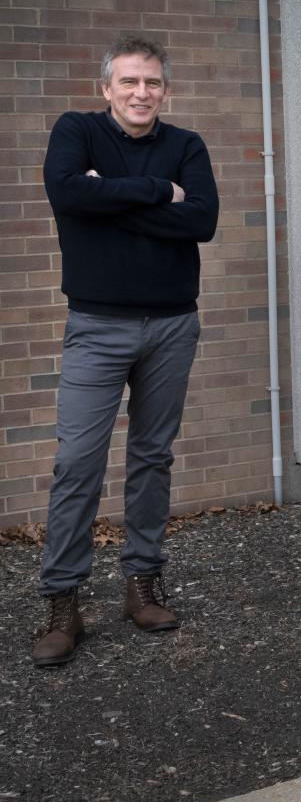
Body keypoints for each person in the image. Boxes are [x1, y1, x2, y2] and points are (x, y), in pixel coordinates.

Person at [32, 33, 219, 668]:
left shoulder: (185, 145)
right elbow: (67, 195)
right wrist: (155, 191)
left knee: (151, 458)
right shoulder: (76, 131)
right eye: (130, 82)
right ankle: (63, 601)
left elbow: (202, 222)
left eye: (154, 83)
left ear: (166, 89)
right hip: (97, 325)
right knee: (78, 461)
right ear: (106, 87)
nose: (142, 93)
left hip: (171, 326)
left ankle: (142, 583)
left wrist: (108, 196)